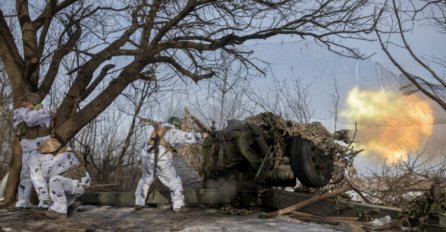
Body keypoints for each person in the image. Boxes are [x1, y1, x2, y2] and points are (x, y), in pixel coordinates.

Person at [134, 116, 208, 212]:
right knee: (175, 181)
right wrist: (202, 135)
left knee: (145, 179)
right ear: (176, 125)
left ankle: (139, 202)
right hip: (161, 159)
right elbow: (187, 137)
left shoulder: (154, 130)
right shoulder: (173, 131)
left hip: (146, 159)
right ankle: (178, 205)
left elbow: (145, 145)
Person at [12, 92, 53, 210]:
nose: (23, 104)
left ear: (34, 102)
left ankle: (44, 200)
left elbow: (30, 120)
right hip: (27, 148)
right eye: (23, 102)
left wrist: (22, 113)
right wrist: (22, 114)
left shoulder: (44, 111)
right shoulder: (26, 111)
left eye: (26, 102)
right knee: (25, 175)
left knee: (38, 174)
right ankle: (23, 201)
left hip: (40, 148)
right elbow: (16, 124)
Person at [38, 138, 91, 219]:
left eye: (45, 153)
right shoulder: (68, 152)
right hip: (76, 184)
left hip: (76, 185)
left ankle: (60, 212)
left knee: (54, 180)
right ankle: (71, 205)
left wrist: (46, 159)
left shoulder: (63, 156)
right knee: (58, 185)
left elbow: (47, 173)